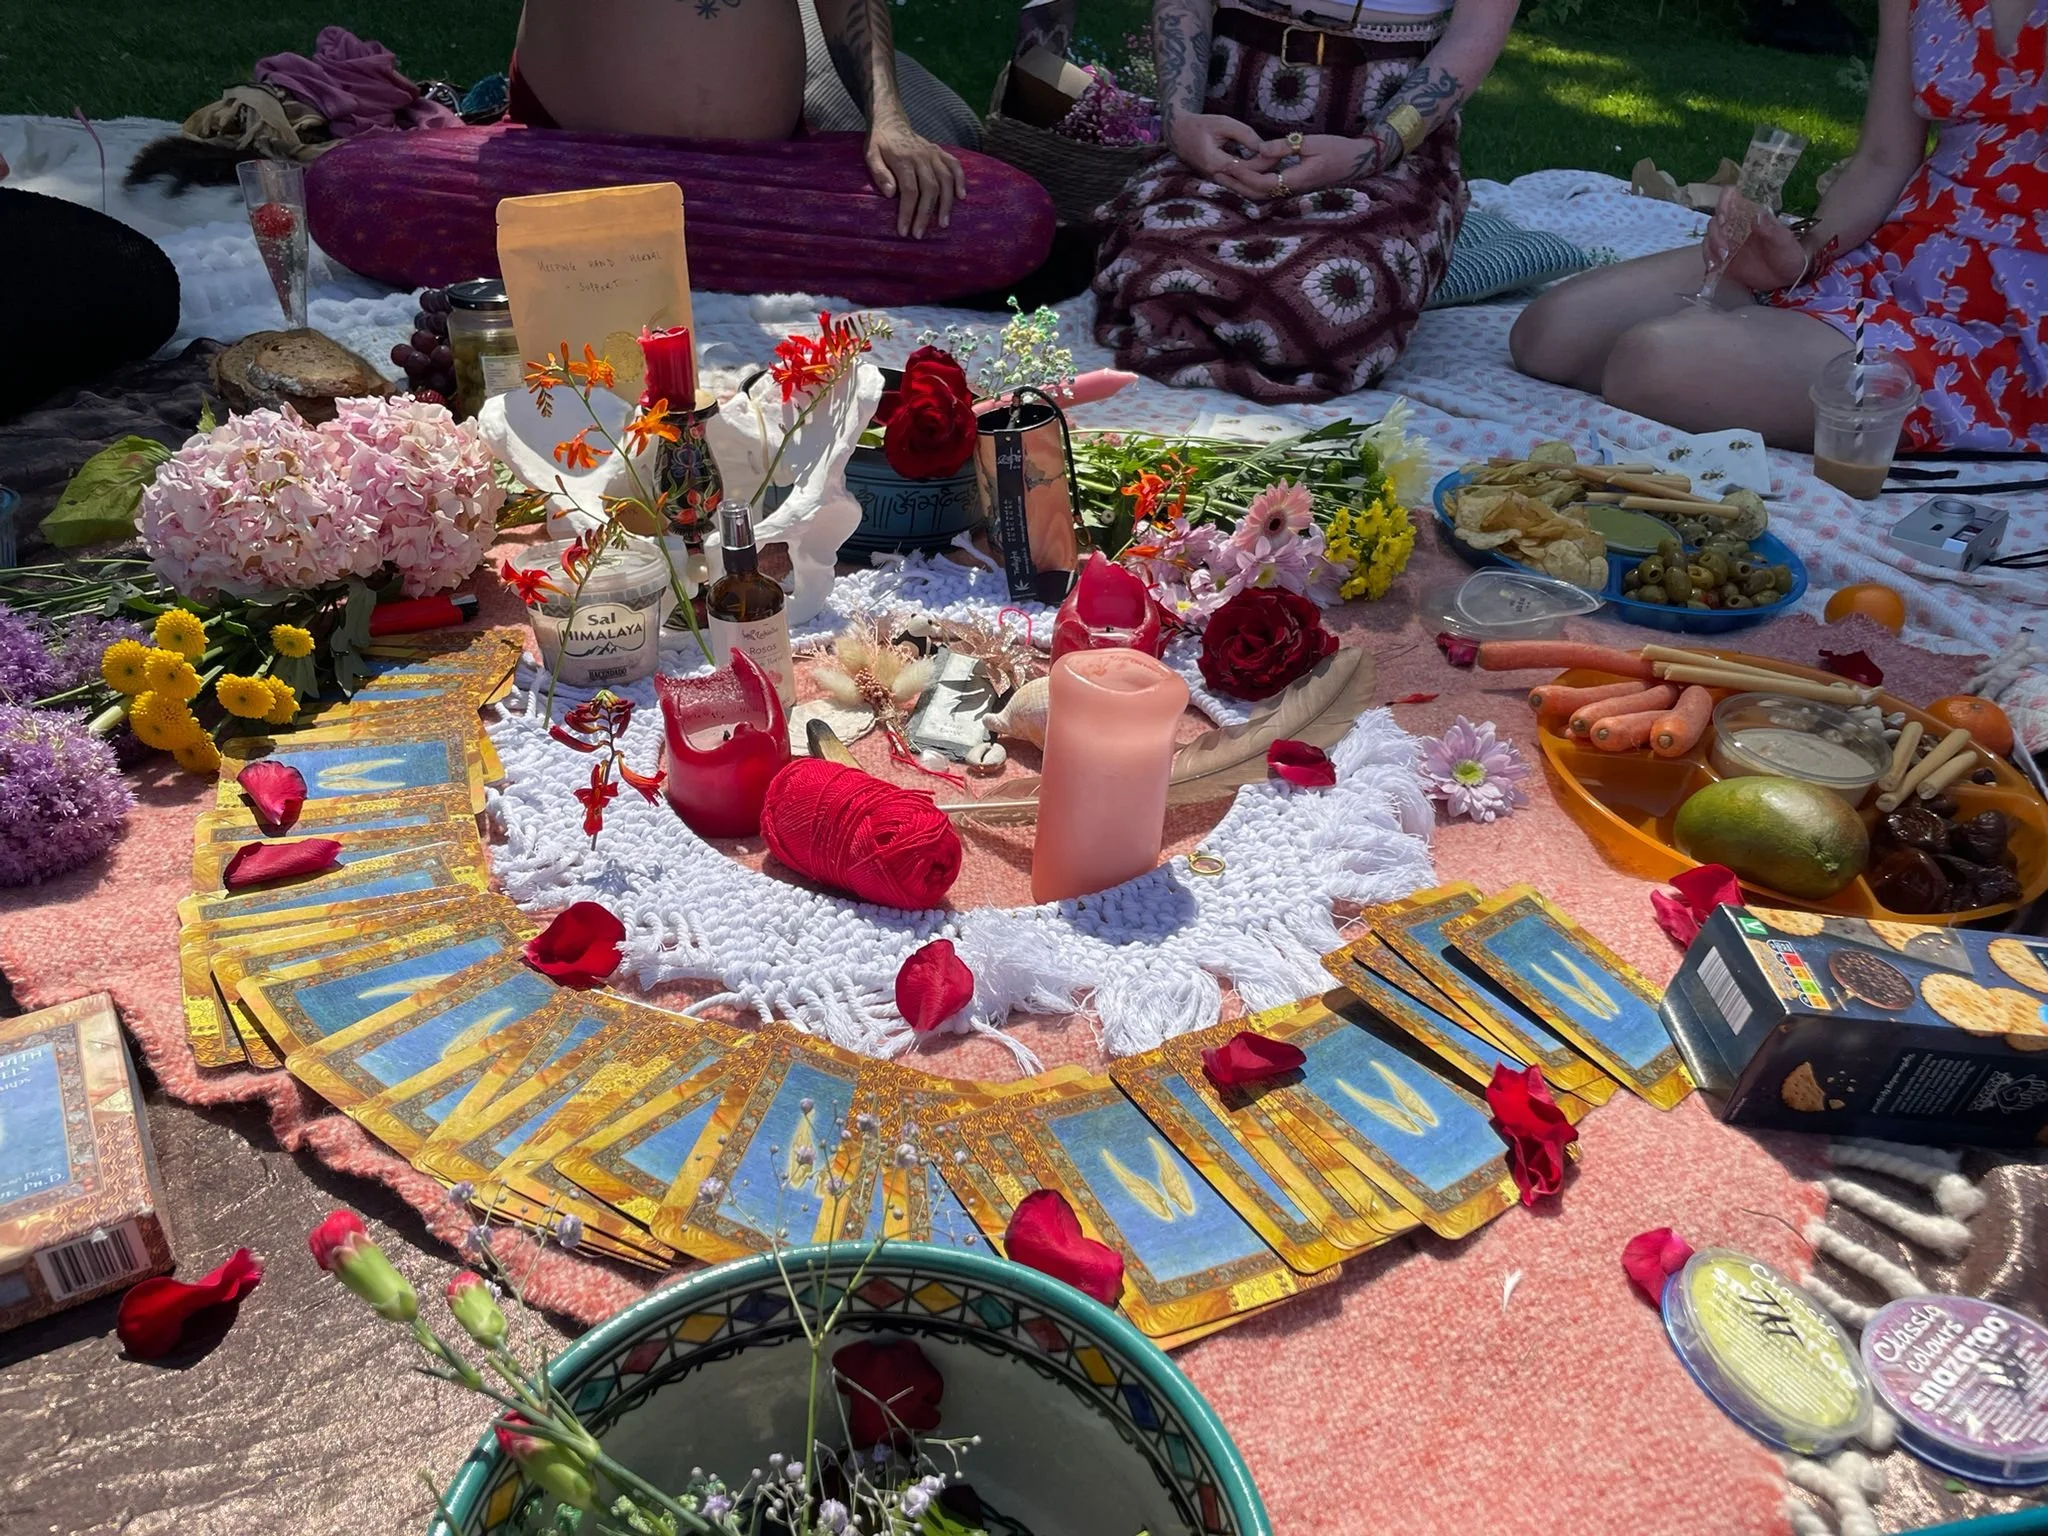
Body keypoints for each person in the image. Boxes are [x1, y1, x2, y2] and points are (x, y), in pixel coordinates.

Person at [1510, 0, 2047, 454]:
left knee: (1651, 363)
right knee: (1551, 335)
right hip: (1898, 256)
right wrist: (1803, 251)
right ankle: (1781, 328)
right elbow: (1883, 159)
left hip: (2015, 318)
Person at [307, 0, 1055, 306]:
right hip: (565, 153)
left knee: (1006, 216)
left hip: (763, 170)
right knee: (344, 186)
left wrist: (888, 117)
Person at [1092, 0, 1516, 402]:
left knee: (1336, 294)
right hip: (1226, 131)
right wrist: (1181, 121)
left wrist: (1374, 149)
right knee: (1160, 270)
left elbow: (1475, 31)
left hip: (1383, 151)